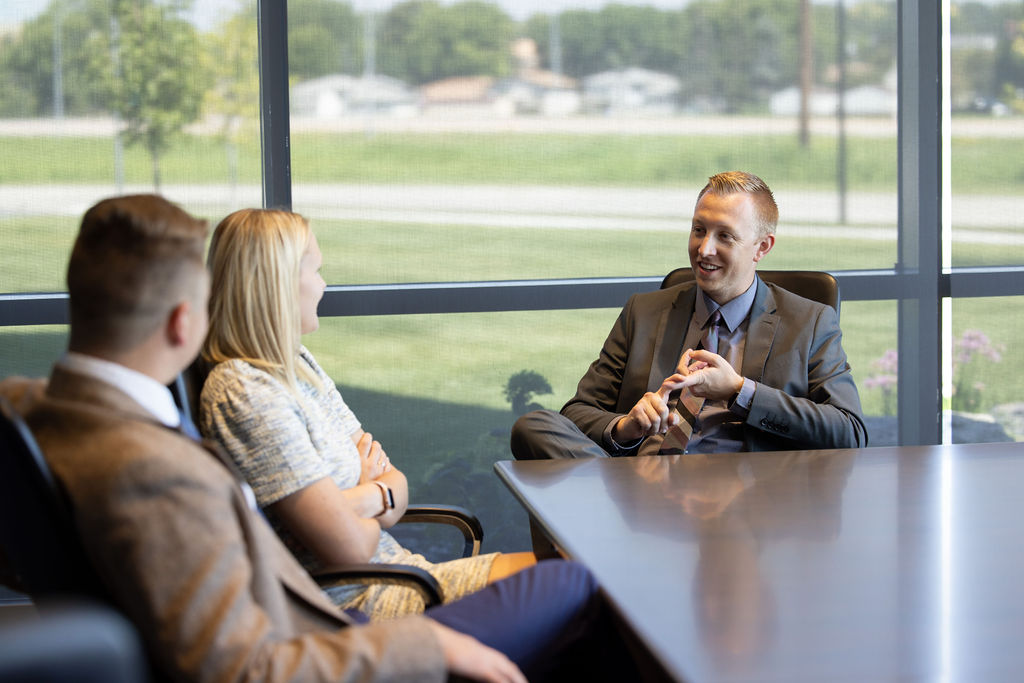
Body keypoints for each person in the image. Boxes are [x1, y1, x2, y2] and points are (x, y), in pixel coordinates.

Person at [0, 194, 638, 682]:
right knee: (582, 587)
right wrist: (431, 643)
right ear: (181, 322)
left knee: (585, 601)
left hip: (353, 598)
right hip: (337, 625)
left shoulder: (35, 413)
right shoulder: (157, 465)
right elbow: (246, 666)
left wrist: (359, 497)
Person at [198, 208, 535, 620]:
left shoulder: (298, 365)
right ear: (279, 284)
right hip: (363, 604)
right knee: (573, 583)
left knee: (575, 578)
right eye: (316, 271)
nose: (323, 286)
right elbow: (350, 549)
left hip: (406, 575)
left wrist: (358, 498)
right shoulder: (245, 393)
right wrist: (372, 494)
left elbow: (395, 482)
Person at [512, 170, 867, 460]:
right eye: (699, 230)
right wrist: (627, 427)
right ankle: (626, 502)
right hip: (644, 481)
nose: (703, 249)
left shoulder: (810, 321)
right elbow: (577, 412)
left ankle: (613, 516)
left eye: (725, 236)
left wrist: (740, 391)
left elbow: (850, 431)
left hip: (744, 501)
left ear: (762, 247)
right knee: (534, 426)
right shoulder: (644, 312)